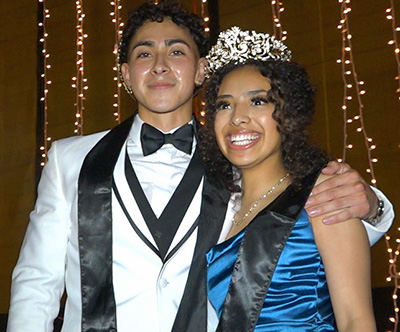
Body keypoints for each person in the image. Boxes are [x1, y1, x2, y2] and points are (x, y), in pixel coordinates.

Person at [6, 2, 392, 332]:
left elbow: (293, 224)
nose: (159, 65)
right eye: (144, 53)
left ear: (201, 69)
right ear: (125, 74)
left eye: (176, 52)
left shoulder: (239, 154)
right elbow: (37, 282)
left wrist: (372, 206)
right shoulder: (70, 159)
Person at [200, 26, 377, 331]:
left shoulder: (324, 194)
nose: (237, 117)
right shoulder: (222, 212)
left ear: (289, 113)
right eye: (224, 105)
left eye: (258, 101)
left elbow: (355, 321)